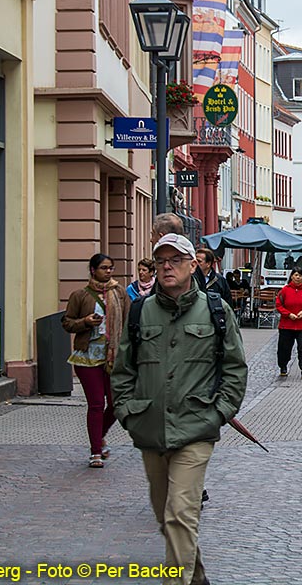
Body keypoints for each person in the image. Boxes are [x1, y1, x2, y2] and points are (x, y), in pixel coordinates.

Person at [112, 233, 247, 585]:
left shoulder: (215, 309)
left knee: (180, 513)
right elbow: (123, 368)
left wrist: (219, 412)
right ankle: (196, 575)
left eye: (175, 260)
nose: (167, 266)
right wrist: (127, 412)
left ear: (192, 265)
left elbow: (235, 367)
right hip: (149, 428)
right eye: (161, 261)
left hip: (196, 428)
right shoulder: (141, 310)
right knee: (165, 516)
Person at [63, 253, 129, 468]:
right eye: (103, 268)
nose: (108, 271)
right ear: (93, 270)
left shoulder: (120, 293)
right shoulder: (80, 295)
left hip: (114, 356)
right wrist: (85, 322)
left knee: (117, 404)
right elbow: (67, 323)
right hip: (88, 356)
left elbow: (129, 321)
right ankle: (95, 452)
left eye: (111, 267)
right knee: (96, 403)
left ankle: (99, 435)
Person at [275, 268, 302, 380]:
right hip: (286, 325)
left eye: (300, 275)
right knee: (285, 348)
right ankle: (283, 366)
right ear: (291, 276)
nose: (298, 277)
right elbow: (279, 305)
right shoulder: (284, 290)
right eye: (296, 275)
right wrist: (288, 314)